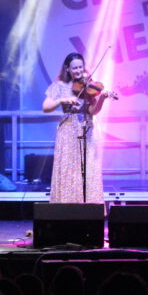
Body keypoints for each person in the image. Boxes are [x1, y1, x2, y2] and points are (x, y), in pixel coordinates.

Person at [42, 52, 110, 204]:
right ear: (67, 69)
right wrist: (62, 100)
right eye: (75, 68)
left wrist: (102, 100)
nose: (79, 71)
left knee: (88, 169)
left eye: (81, 67)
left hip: (87, 129)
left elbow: (92, 111)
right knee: (68, 169)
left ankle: (89, 207)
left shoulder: (89, 85)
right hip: (67, 130)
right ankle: (66, 207)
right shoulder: (59, 85)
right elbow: (45, 107)